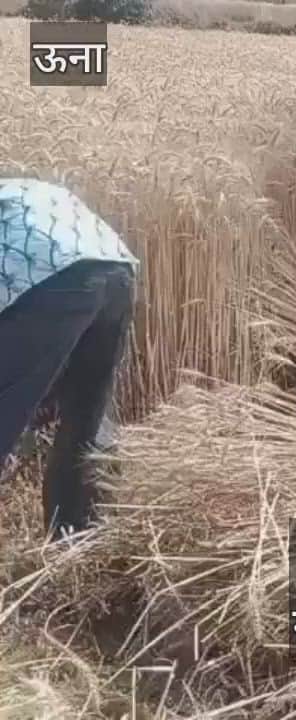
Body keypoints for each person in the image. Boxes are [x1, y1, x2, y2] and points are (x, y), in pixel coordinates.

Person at [0, 179, 138, 537]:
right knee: (85, 420)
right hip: (116, 267)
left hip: (51, 276)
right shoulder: (17, 191)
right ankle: (77, 541)